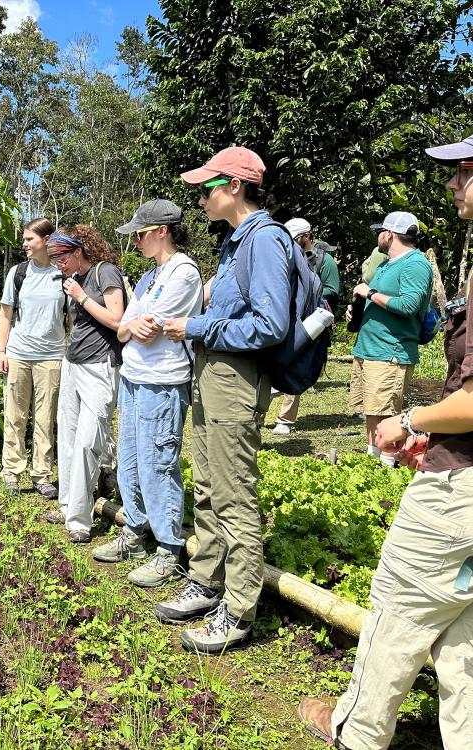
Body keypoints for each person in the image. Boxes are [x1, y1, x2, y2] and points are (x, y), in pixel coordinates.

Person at [297, 135, 473, 750]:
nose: (451, 185)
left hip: (459, 492)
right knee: (464, 643)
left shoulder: (419, 266)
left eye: (464, 173)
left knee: (400, 605)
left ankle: (356, 730)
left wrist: (419, 420)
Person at [157, 146, 295, 653]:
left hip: (236, 382)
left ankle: (237, 611)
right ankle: (206, 580)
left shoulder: (264, 241)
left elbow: (270, 324)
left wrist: (194, 325)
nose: (202, 196)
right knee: (209, 485)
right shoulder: (237, 243)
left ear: (235, 186)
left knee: (235, 495)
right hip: (212, 375)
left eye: (208, 186)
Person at [91, 200, 203, 586]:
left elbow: (147, 327)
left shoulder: (184, 272)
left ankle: (169, 550)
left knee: (158, 465)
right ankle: (134, 532)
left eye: (140, 234)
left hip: (163, 381)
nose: (135, 241)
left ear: (162, 231)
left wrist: (133, 324)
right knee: (131, 460)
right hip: (134, 378)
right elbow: (124, 328)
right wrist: (131, 325)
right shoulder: (149, 277)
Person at [43, 225, 126, 543]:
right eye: (53, 260)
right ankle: (68, 506)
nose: (57, 265)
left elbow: (117, 321)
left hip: (99, 367)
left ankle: (80, 519)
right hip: (73, 364)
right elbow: (79, 325)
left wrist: (80, 297)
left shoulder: (106, 272)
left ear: (77, 251)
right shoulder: (74, 279)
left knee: (89, 440)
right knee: (67, 436)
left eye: (60, 258)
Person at [347, 211, 432, 466]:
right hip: (369, 350)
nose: (378, 237)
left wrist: (370, 293)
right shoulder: (387, 263)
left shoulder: (415, 264)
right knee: (372, 411)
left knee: (386, 414)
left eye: (380, 231)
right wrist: (359, 308)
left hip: (390, 352)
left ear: (389, 234)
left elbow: (408, 306)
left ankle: (387, 467)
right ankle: (373, 462)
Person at [0, 217, 65, 499]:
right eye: (24, 239)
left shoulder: (63, 273)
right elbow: (5, 315)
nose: (24, 244)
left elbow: (72, 316)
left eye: (29, 239)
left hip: (52, 356)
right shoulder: (18, 272)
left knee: (46, 418)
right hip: (20, 354)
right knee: (15, 415)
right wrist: (1, 350)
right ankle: (11, 472)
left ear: (46, 240)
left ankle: (42, 474)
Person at [272, 217, 341, 434]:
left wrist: (309, 288)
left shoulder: (325, 261)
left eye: (296, 239)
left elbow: (333, 289)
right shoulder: (285, 255)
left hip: (310, 320)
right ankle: (258, 412)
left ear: (306, 237)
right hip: (285, 317)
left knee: (297, 362)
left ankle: (285, 419)